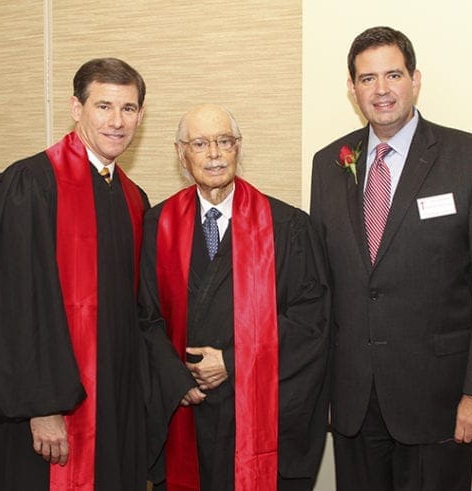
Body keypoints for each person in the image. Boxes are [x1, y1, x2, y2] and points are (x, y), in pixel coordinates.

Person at [310, 26, 472, 490]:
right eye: (367, 79)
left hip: (438, 402)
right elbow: (323, 286)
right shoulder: (329, 164)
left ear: (415, 79)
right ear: (352, 88)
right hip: (354, 403)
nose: (381, 90)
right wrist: (321, 388)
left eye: (393, 75)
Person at [0, 57, 150, 490]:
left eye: (129, 108)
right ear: (76, 109)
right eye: (103, 106)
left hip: (112, 408)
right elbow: (10, 308)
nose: (117, 121)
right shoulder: (29, 185)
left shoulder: (134, 200)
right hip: (42, 414)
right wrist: (41, 407)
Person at [139, 104, 330, 491]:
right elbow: (145, 316)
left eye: (224, 141)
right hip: (185, 408)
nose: (214, 154)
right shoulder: (157, 225)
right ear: (181, 153)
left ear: (238, 147)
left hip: (258, 411)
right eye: (200, 143)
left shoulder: (287, 226)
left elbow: (312, 321)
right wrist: (178, 380)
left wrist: (233, 361)